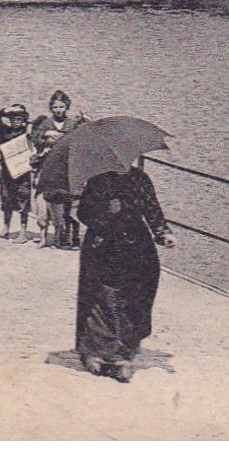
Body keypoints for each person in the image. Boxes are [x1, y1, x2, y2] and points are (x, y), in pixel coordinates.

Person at [76, 164, 174, 382]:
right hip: (103, 246)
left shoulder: (140, 179)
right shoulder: (97, 181)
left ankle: (126, 348)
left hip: (136, 245)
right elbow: (83, 213)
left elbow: (152, 209)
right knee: (105, 300)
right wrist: (105, 214)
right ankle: (108, 356)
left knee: (139, 295)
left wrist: (162, 233)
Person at [32, 91, 82, 249]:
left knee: (71, 201)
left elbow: (79, 141)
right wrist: (46, 135)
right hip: (50, 167)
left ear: (67, 106)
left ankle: (72, 236)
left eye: (61, 106)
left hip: (67, 167)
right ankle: (58, 236)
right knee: (53, 201)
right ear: (51, 108)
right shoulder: (46, 124)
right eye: (55, 107)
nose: (59, 110)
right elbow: (35, 138)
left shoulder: (71, 124)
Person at [0, 104, 34, 241]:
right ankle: (6, 228)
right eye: (13, 118)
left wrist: (29, 125)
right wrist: (5, 110)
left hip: (22, 173)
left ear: (23, 120)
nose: (16, 121)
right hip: (6, 172)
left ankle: (22, 232)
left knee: (23, 201)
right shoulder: (5, 131)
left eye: (19, 118)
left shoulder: (27, 133)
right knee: (5, 199)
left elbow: (40, 123)